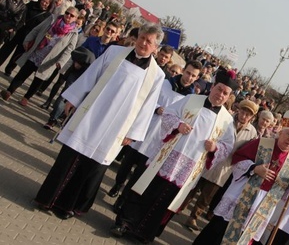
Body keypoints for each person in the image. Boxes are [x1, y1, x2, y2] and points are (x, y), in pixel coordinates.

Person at [33, 23, 165, 220]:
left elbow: (147, 107)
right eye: (142, 37)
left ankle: (66, 206)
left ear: (156, 48)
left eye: (149, 41)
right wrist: (74, 98)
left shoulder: (157, 75)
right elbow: (91, 75)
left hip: (115, 127)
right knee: (68, 158)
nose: (143, 43)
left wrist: (132, 133)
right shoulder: (114, 52)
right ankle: (46, 198)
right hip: (91, 114)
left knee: (90, 167)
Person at [112, 69, 238, 243]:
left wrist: (215, 146)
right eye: (219, 89)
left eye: (225, 93)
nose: (220, 94)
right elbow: (169, 113)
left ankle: (144, 233)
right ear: (213, 86)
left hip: (188, 168)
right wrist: (178, 125)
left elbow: (228, 146)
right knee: (146, 190)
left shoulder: (227, 120)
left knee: (165, 201)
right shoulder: (191, 99)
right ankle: (124, 223)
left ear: (229, 97)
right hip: (166, 157)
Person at [194, 105, 289, 245]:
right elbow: (237, 159)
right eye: (288, 135)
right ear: (280, 133)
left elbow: (286, 195)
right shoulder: (262, 143)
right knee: (217, 232)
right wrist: (254, 168)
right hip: (241, 195)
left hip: (260, 207)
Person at [107, 60, 202, 199]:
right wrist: (157, 108)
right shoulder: (165, 84)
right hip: (147, 126)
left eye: (193, 76)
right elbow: (148, 99)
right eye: (188, 73)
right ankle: (118, 184)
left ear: (197, 78)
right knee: (127, 162)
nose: (189, 77)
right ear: (183, 70)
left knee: (140, 172)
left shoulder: (192, 99)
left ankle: (124, 198)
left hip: (161, 137)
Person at [183, 99, 259, 231]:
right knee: (191, 187)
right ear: (238, 110)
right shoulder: (226, 120)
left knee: (207, 196)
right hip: (210, 158)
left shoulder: (252, 132)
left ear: (252, 117)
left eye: (248, 114)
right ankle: (179, 206)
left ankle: (193, 217)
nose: (244, 116)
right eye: (243, 111)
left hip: (225, 168)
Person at [1, 6, 79, 106]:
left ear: (75, 18)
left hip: (49, 60)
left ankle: (26, 98)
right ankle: (9, 91)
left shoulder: (73, 33)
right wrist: (27, 40)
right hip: (37, 52)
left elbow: (70, 49)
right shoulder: (53, 19)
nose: (68, 16)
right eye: (67, 13)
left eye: (72, 15)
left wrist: (61, 61)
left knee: (38, 80)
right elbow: (36, 29)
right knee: (23, 73)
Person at [0, 0, 51, 76]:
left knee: (18, 54)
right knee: (6, 49)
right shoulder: (31, 4)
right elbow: (20, 13)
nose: (44, 3)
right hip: (19, 30)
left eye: (47, 3)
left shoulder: (47, 15)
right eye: (43, 1)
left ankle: (9, 69)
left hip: (29, 36)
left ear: (49, 5)